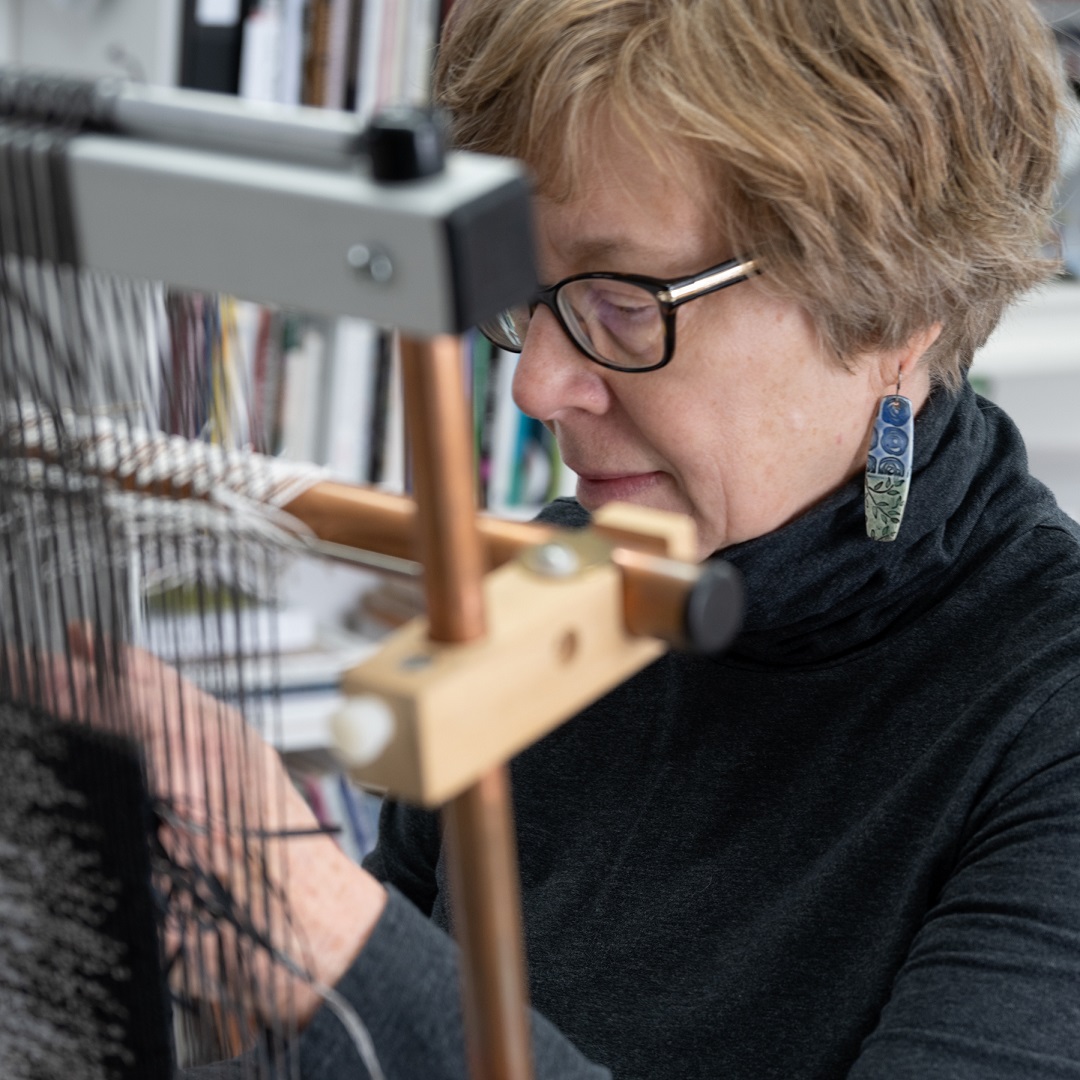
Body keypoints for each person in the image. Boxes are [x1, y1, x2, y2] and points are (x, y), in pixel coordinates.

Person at [183, 0, 1080, 1076]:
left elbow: (383, 1007)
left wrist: (329, 947)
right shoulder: (554, 592)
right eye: (528, 296)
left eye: (620, 302)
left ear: (893, 304)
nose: (536, 384)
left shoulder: (1047, 721)